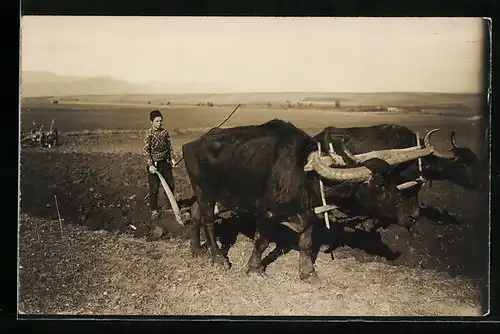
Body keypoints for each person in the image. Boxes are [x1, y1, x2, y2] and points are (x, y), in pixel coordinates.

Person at [142, 109, 177, 220]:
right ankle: (154, 210)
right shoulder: (149, 134)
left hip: (165, 163)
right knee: (154, 188)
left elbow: (169, 147)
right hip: (154, 165)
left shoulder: (165, 132)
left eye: (161, 121)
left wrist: (172, 159)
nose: (159, 123)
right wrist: (150, 164)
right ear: (151, 122)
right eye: (157, 121)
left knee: (170, 185)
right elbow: (145, 151)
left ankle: (169, 206)